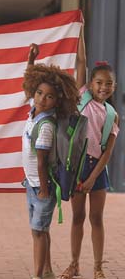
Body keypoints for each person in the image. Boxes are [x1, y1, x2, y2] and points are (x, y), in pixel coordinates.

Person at [58, 26, 119, 279]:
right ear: (90, 84)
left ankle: (97, 267)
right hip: (76, 165)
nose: (104, 87)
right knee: (77, 217)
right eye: (99, 82)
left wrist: (94, 177)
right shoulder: (81, 97)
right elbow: (81, 59)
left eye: (109, 84)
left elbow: (107, 152)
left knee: (96, 218)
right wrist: (81, 29)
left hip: (97, 170)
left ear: (114, 87)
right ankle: (73, 264)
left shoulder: (112, 116)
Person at [23, 43, 80, 279]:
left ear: (58, 101)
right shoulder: (33, 111)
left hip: (41, 186)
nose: (42, 99)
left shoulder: (46, 124)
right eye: (39, 93)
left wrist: (44, 189)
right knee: (39, 230)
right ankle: (46, 271)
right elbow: (28, 80)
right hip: (31, 183)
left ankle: (37, 275)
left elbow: (42, 160)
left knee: (38, 231)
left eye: (49, 97)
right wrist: (31, 59)